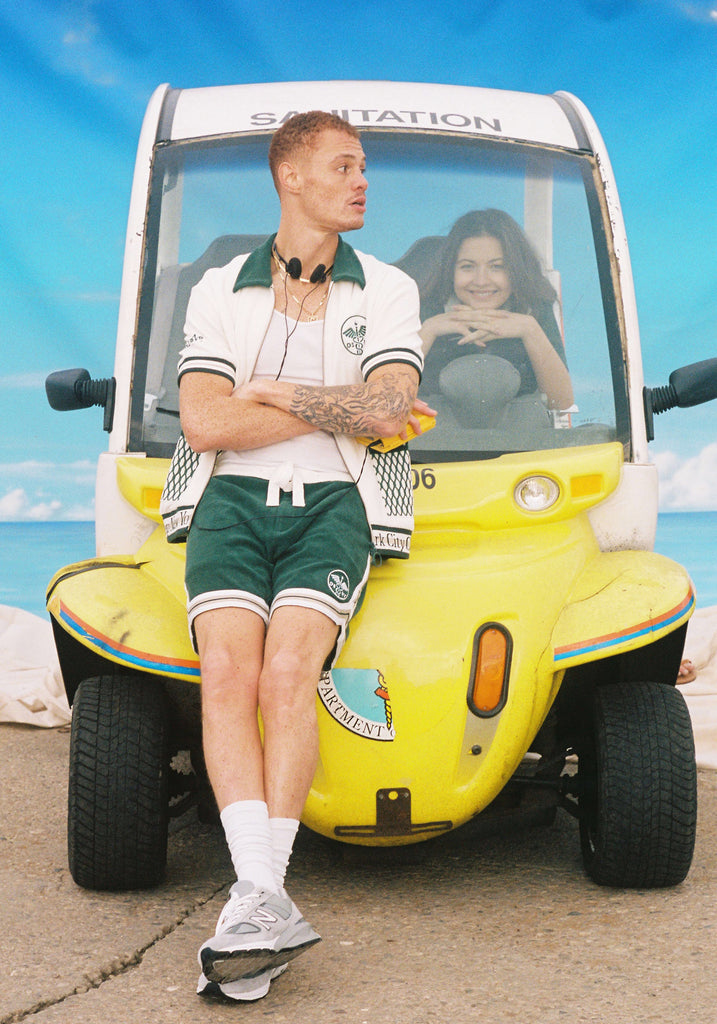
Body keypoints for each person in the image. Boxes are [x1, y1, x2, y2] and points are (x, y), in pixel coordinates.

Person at [175, 111, 432, 1002]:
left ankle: (258, 892)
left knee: (288, 674)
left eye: (363, 167)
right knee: (226, 675)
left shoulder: (388, 288)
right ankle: (262, 897)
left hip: (333, 505)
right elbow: (205, 422)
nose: (362, 181)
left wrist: (275, 391)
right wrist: (341, 402)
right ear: (290, 176)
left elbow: (391, 415)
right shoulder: (219, 286)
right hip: (229, 504)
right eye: (344, 166)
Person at [418, 208, 574, 412]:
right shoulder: (422, 308)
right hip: (432, 437)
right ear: (450, 269)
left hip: (523, 439)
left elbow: (562, 403)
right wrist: (427, 331)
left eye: (497, 267)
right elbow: (388, 403)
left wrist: (530, 331)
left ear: (516, 271)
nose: (481, 281)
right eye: (467, 267)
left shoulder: (533, 307)